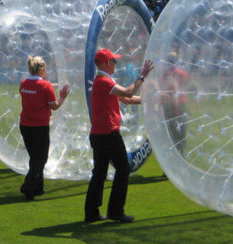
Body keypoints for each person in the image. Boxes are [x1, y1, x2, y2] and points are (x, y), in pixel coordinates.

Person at [84, 49, 153, 224]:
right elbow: (129, 93)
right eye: (114, 62)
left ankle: (92, 213)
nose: (115, 64)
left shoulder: (103, 81)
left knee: (99, 173)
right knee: (123, 170)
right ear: (106, 63)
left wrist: (151, 100)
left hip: (100, 135)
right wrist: (143, 75)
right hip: (109, 135)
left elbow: (127, 99)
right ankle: (115, 211)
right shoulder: (104, 81)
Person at [18, 56, 70, 200]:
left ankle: (38, 188)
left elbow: (30, 91)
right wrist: (63, 96)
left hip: (25, 124)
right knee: (41, 158)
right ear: (41, 69)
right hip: (39, 126)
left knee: (34, 157)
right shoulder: (45, 86)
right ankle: (28, 186)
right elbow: (54, 106)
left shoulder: (23, 83)